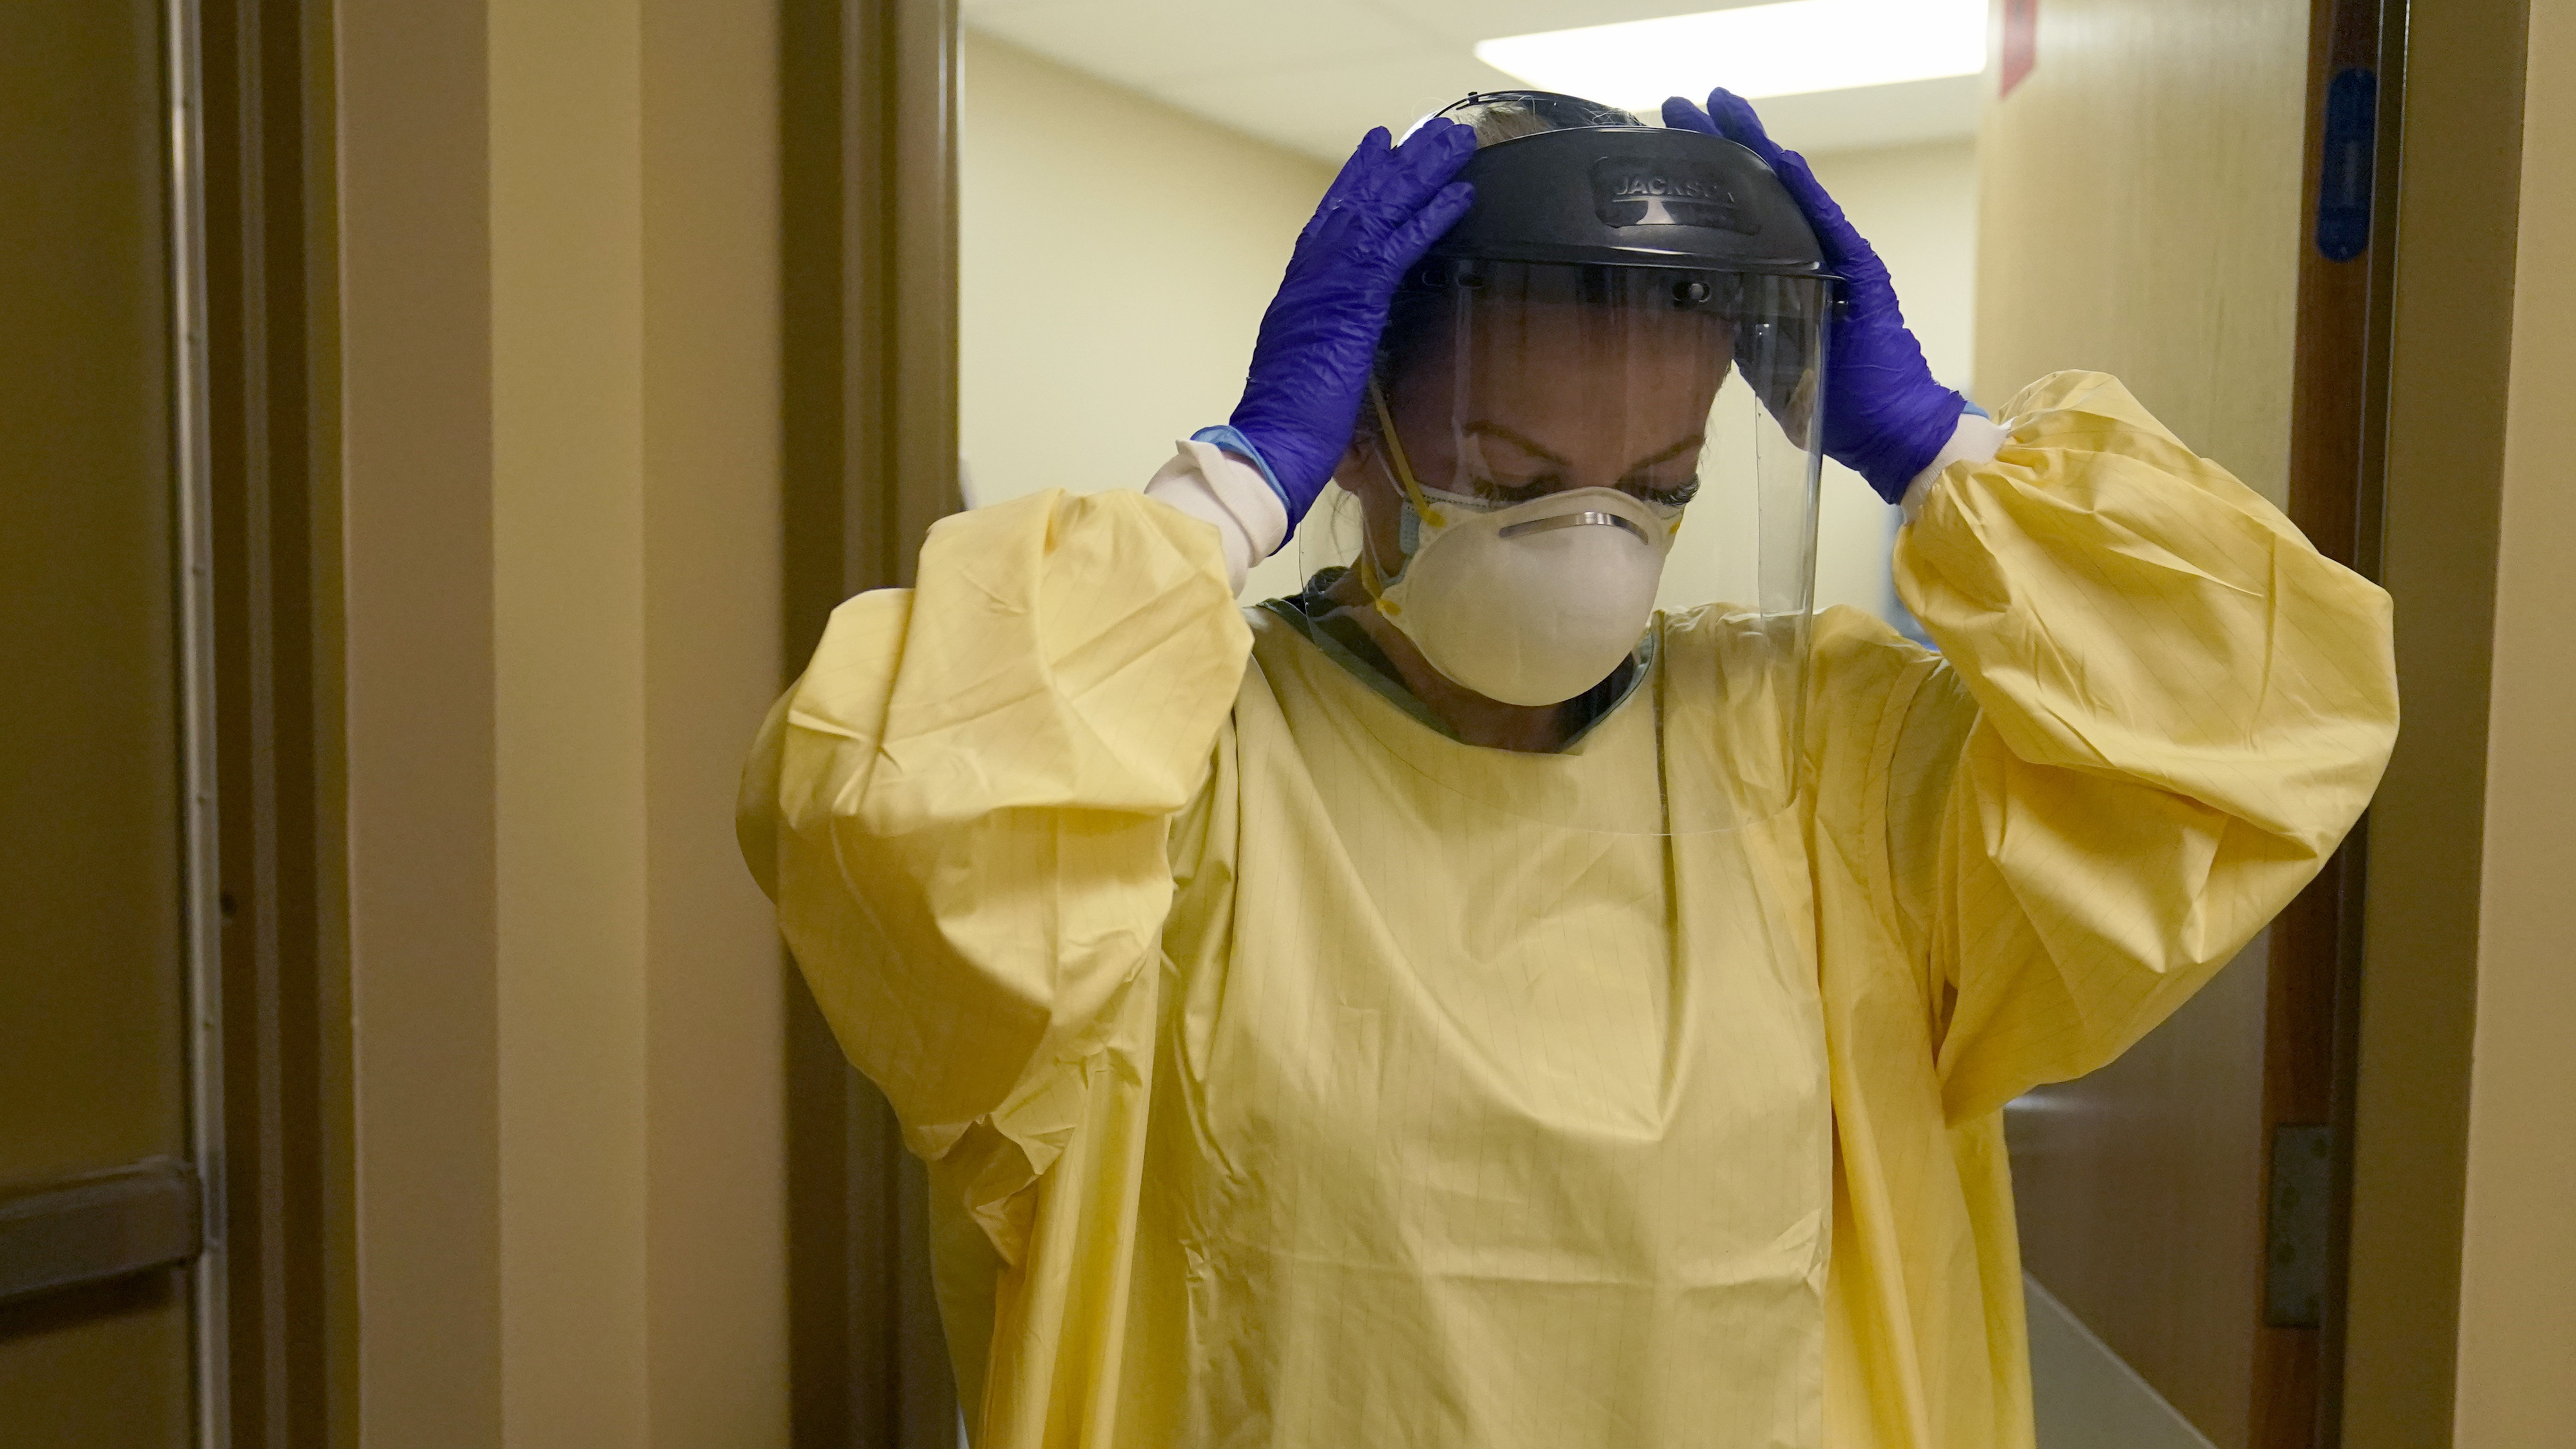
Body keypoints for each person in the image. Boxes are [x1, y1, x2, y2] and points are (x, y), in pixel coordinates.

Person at [739, 87, 2398, 1449]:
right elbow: (884, 813)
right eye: (1505, 473)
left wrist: (1935, 447)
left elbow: (2259, 723)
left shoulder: (1817, 757)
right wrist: (1224, 484)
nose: (1591, 545)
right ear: (1362, 448)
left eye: (1654, 484)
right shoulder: (1170, 779)